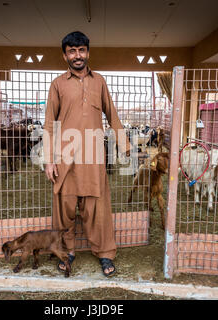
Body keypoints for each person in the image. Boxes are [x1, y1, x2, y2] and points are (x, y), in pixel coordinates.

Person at [43, 31, 130, 277]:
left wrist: (126, 149)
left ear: (88, 53)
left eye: (81, 50)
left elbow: (112, 114)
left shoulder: (99, 81)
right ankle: (66, 252)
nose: (77, 55)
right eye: (72, 51)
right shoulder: (58, 84)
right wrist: (49, 159)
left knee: (97, 210)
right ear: (64, 55)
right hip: (65, 158)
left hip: (93, 158)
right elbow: (49, 123)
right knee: (65, 209)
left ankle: (105, 254)